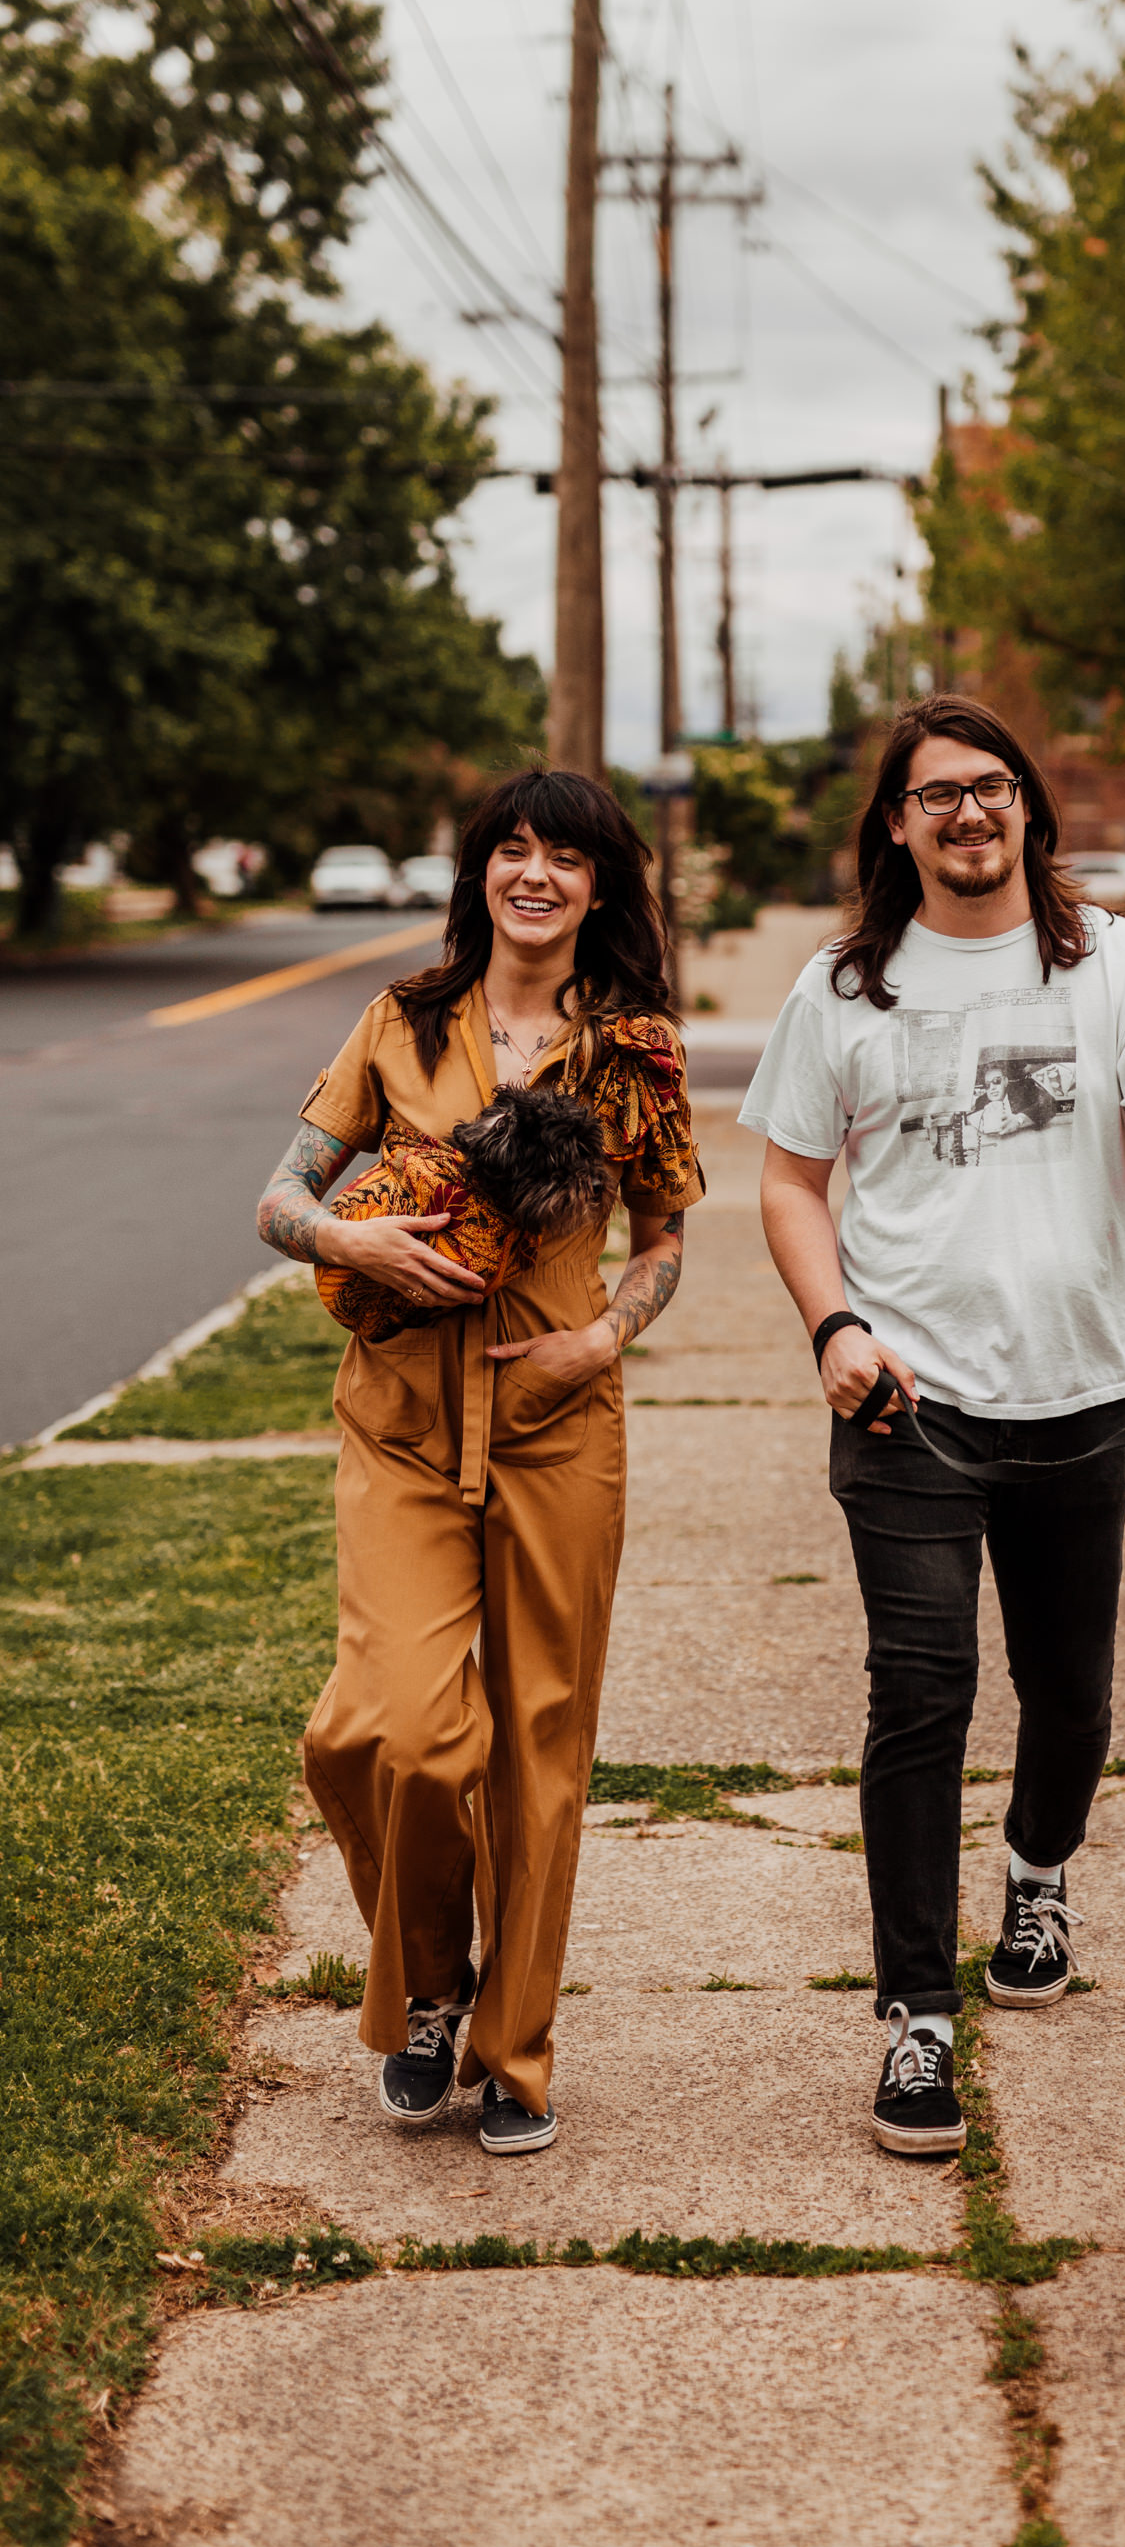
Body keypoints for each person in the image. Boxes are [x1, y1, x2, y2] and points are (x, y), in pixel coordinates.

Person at [741, 693, 1125, 2156]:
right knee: (921, 1693)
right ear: (894, 827)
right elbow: (786, 1182)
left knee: (1072, 1699)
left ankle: (1037, 1869)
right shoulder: (844, 990)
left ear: (1029, 805)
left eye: (991, 787)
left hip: (1079, 1393)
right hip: (906, 1401)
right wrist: (833, 1324)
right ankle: (914, 2018)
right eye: (935, 795)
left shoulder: (1116, 970)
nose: (968, 813)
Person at [256, 769, 703, 2156]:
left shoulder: (634, 1050)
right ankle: (435, 1982)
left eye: (565, 857)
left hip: (557, 1427)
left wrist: (603, 1340)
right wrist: (351, 1240)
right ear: (480, 874)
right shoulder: (402, 1021)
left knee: (538, 1757)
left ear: (599, 887)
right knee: (382, 1730)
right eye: (512, 849)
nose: (535, 874)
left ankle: (512, 2052)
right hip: (399, 1413)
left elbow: (667, 1237)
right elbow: (279, 1193)